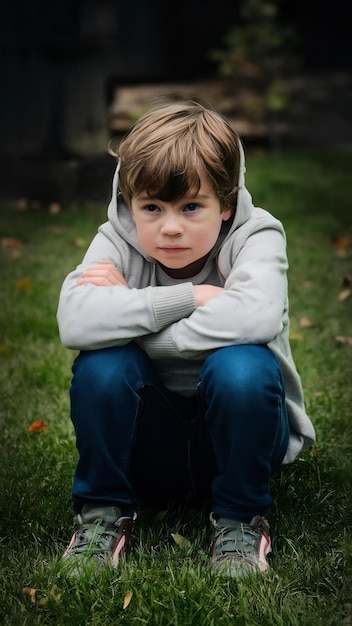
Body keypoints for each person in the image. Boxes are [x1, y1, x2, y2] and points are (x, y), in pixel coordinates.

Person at [57, 99, 315, 578]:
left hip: (242, 439)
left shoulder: (257, 236)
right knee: (101, 365)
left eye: (191, 206)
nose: (169, 227)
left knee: (242, 363)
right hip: (148, 444)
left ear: (227, 204)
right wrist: (191, 297)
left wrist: (133, 327)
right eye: (151, 207)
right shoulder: (116, 240)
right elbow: (74, 323)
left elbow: (255, 318)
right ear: (129, 203)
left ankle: (240, 519)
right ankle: (101, 516)